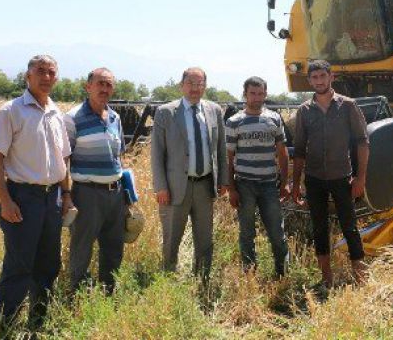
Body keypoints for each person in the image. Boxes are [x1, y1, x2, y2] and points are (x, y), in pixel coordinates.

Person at [0, 54, 72, 330]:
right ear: (28, 76)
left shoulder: (56, 113)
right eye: (40, 72)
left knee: (48, 264)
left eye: (51, 73)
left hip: (52, 199)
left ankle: (38, 324)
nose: (46, 77)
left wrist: (67, 196)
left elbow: (64, 160)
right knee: (19, 266)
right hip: (22, 199)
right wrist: (6, 201)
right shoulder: (11, 111)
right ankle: (6, 326)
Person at [290, 60, 369, 288]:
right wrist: (296, 184)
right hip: (314, 179)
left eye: (322, 76)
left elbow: (362, 143)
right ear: (309, 81)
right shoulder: (304, 110)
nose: (319, 81)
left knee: (349, 226)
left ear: (331, 77)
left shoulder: (348, 106)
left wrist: (361, 177)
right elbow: (300, 150)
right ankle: (326, 279)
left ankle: (360, 279)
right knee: (319, 228)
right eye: (314, 78)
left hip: (342, 176)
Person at [150, 67, 229, 278]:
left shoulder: (214, 110)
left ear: (205, 86)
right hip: (175, 188)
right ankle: (168, 280)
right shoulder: (166, 112)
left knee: (204, 239)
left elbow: (220, 149)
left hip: (205, 186)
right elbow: (157, 154)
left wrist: (223, 180)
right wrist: (161, 187)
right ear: (182, 85)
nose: (195, 88)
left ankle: (202, 280)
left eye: (200, 84)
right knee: (171, 239)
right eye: (191, 83)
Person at [64, 67, 128, 294]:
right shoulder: (72, 118)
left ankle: (108, 293)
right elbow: (64, 160)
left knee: (113, 247)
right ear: (88, 86)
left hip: (115, 193)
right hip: (87, 194)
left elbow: (119, 157)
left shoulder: (115, 117)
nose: (104, 89)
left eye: (109, 85)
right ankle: (77, 296)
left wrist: (127, 193)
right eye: (100, 84)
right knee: (82, 248)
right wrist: (67, 195)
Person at [225, 76, 290, 277]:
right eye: (252, 93)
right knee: (247, 233)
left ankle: (282, 274)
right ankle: (249, 276)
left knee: (277, 233)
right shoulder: (234, 121)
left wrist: (285, 183)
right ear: (245, 94)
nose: (256, 97)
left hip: (269, 184)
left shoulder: (274, 119)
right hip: (244, 185)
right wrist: (232, 189)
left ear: (266, 94)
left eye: (260, 93)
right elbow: (229, 158)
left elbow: (282, 152)